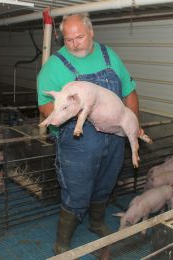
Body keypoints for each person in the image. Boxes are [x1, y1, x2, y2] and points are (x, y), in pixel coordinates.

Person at [37, 13, 142, 254]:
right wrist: (74, 111)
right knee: (77, 189)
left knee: (106, 181)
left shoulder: (110, 57)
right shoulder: (54, 66)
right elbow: (45, 107)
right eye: (69, 39)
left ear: (91, 32)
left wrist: (134, 124)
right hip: (79, 140)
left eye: (80, 37)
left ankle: (96, 223)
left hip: (115, 135)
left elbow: (130, 91)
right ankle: (61, 242)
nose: (74, 43)